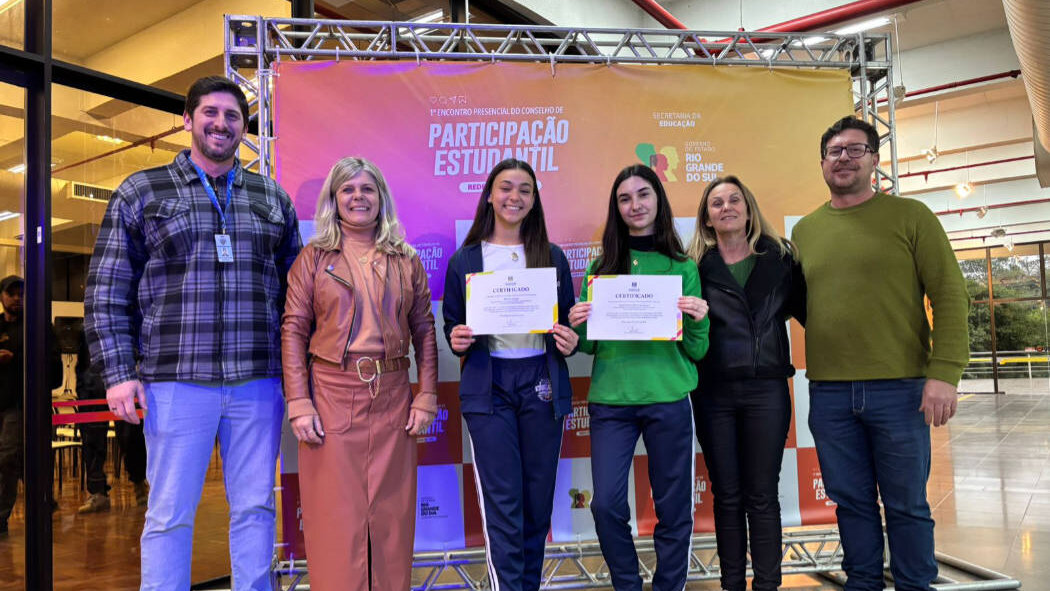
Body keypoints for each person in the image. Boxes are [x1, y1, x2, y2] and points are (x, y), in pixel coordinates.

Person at [84, 76, 301, 590]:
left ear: (243, 127)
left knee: (255, 508)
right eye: (210, 112)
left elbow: (297, 295)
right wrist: (118, 374)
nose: (221, 124)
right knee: (168, 514)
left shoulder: (272, 197)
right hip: (175, 383)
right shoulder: (142, 191)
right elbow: (107, 290)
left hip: (258, 382)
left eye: (232, 116)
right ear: (187, 119)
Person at [791, 116, 969, 591]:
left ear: (874, 159)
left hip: (901, 389)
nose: (843, 158)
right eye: (834, 151)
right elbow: (810, 306)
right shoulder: (805, 231)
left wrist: (945, 373)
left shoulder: (912, 217)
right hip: (829, 394)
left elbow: (951, 295)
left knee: (907, 504)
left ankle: (914, 585)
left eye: (855, 149)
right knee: (850, 504)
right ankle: (863, 583)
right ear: (822, 163)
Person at [281, 157, 437, 591]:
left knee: (392, 522)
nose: (358, 197)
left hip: (393, 396)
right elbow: (293, 330)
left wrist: (426, 395)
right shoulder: (312, 259)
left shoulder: (406, 259)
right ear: (334, 199)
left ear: (381, 198)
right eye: (347, 189)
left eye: (367, 189)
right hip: (331, 394)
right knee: (335, 522)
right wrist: (299, 402)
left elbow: (425, 330)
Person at [568, 164, 710, 591]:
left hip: (669, 397)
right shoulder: (600, 267)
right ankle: (627, 584)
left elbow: (697, 350)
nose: (635, 205)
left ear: (658, 201)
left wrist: (699, 320)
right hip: (612, 401)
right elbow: (588, 346)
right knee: (606, 506)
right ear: (616, 208)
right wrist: (578, 324)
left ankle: (669, 585)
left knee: (674, 507)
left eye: (643, 194)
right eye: (625, 198)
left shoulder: (682, 266)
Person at [442, 158, 578, 591]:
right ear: (489, 195)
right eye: (505, 188)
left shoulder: (552, 257)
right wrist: (456, 338)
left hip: (541, 383)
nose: (514, 197)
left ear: (534, 200)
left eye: (524, 189)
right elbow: (452, 325)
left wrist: (569, 339)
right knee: (504, 505)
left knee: (537, 505)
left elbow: (567, 325)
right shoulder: (466, 259)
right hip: (490, 387)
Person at [685, 176, 806, 591]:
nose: (727, 207)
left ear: (749, 208)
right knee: (727, 495)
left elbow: (808, 311)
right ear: (706, 218)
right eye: (716, 203)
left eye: (734, 199)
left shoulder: (782, 259)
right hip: (712, 391)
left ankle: (768, 585)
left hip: (767, 389)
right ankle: (731, 584)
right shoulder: (694, 268)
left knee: (762, 494)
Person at [0, 275, 62, 534]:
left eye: (22, 294)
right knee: (22, 460)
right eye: (12, 293)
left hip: (23, 405)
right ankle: (44, 500)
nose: (17, 298)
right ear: (2, 296)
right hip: (2, 403)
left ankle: (1, 517)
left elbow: (54, 371)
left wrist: (16, 360)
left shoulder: (38, 326)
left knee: (7, 458)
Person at [75, 330, 149, 514]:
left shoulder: (129, 324)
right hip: (92, 387)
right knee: (92, 442)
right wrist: (83, 390)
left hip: (124, 382)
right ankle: (97, 492)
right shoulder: (87, 328)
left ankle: (139, 483)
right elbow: (82, 364)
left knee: (132, 439)